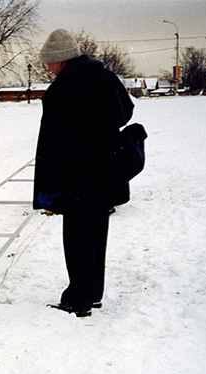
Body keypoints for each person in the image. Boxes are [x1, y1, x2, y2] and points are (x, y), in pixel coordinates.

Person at [32, 29, 134, 318]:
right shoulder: (106, 77)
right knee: (97, 232)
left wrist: (50, 187)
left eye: (48, 63)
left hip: (78, 176)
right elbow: (127, 110)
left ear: (60, 60)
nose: (47, 68)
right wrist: (102, 129)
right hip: (108, 170)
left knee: (77, 237)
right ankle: (93, 293)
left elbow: (55, 145)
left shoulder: (62, 90)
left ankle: (78, 299)